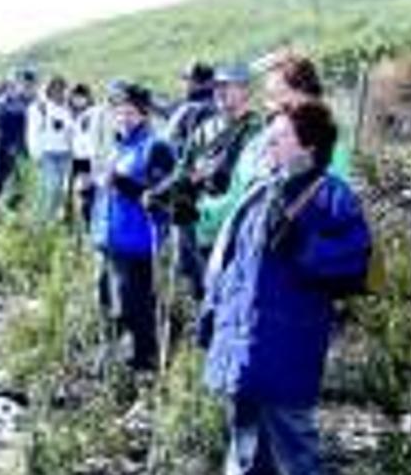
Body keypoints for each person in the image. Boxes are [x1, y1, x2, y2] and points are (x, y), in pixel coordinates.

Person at [197, 101, 371, 475]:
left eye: (280, 136)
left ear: (308, 144)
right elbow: (228, 265)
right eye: (269, 135)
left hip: (287, 349)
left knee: (295, 453)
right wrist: (211, 315)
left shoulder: (331, 196)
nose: (268, 143)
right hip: (242, 346)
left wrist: (303, 247)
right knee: (244, 450)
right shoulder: (259, 192)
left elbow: (356, 261)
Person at [154, 63, 263, 299]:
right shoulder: (205, 130)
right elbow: (183, 170)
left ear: (246, 90)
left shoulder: (259, 132)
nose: (220, 92)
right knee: (199, 292)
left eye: (227, 86)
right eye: (216, 86)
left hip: (234, 231)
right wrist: (167, 193)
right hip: (197, 226)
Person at [91, 84, 176, 373]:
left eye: (131, 113)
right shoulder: (118, 146)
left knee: (135, 310)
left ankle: (146, 368)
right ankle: (114, 365)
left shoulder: (156, 147)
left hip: (137, 243)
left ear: (145, 114)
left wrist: (126, 186)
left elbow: (163, 197)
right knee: (106, 305)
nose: (124, 118)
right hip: (108, 240)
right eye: (119, 112)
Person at [0, 65, 39, 218]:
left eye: (31, 83)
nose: (28, 86)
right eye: (25, 82)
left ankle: (14, 213)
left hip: (26, 150)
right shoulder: (7, 100)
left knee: (22, 185)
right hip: (5, 147)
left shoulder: (37, 103)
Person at [27, 76, 74, 222]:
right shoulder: (38, 107)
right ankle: (43, 222)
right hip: (48, 155)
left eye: (61, 88)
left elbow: (72, 131)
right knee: (50, 189)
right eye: (54, 88)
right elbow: (32, 133)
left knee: (65, 191)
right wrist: (36, 154)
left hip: (67, 153)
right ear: (48, 90)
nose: (58, 92)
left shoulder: (68, 108)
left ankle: (59, 222)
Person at [67, 82, 99, 228]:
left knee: (87, 195)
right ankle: (73, 227)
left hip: (88, 159)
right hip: (73, 158)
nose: (78, 100)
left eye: (82, 97)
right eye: (75, 97)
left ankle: (89, 227)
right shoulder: (70, 114)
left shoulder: (94, 114)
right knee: (71, 194)